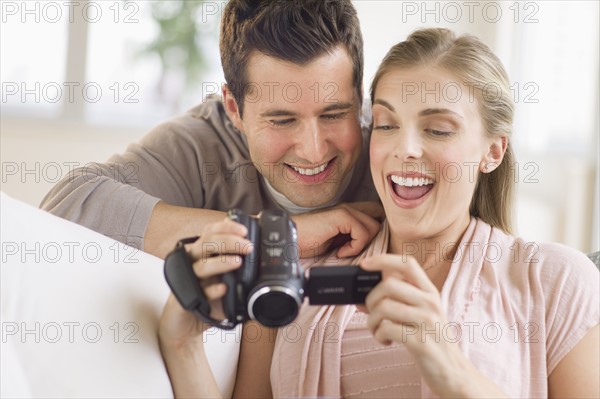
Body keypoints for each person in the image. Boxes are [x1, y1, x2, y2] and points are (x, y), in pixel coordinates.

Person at [158, 28, 599, 398]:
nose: (404, 149)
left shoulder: (555, 280)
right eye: (386, 124)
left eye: (437, 129)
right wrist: (182, 346)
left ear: (493, 150)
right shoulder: (295, 275)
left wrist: (447, 364)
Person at [40, 0, 381, 260]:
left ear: (359, 94)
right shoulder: (201, 145)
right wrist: (276, 234)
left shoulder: (389, 145)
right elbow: (66, 209)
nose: (314, 150)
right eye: (282, 120)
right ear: (234, 109)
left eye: (334, 114)